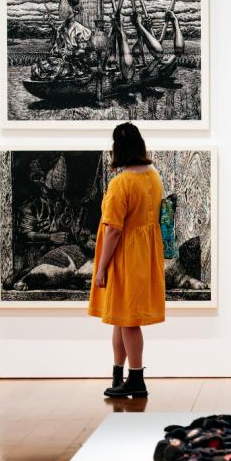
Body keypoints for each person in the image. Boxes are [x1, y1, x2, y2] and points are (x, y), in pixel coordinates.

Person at [88, 122, 166, 398]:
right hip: (145, 255)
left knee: (129, 320)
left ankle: (136, 379)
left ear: (117, 149)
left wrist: (101, 267)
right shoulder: (153, 176)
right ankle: (119, 375)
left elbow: (113, 229)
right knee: (120, 319)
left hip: (124, 257)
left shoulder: (121, 182)